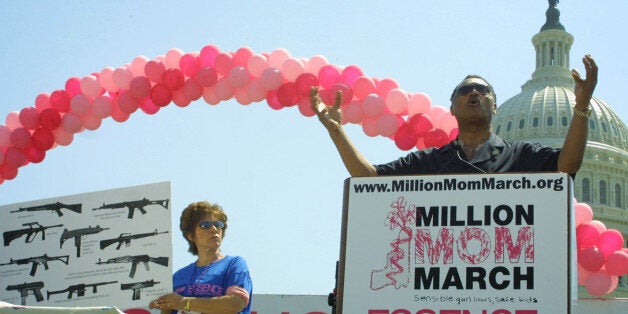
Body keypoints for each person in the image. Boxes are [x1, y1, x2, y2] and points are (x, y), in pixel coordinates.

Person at [311, 54, 598, 177]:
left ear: (495, 106)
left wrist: (582, 106)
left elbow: (567, 165)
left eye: (483, 90)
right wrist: (336, 130)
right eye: (466, 89)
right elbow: (368, 177)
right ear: (452, 108)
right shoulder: (431, 162)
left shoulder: (519, 155)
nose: (474, 92)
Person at [149, 201, 253, 314]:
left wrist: (184, 302)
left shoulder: (234, 264)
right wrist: (163, 303)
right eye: (205, 225)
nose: (214, 229)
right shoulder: (178, 276)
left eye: (218, 225)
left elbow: (236, 303)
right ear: (190, 235)